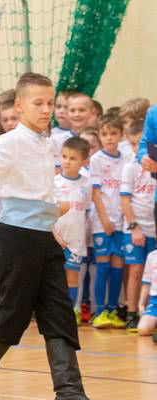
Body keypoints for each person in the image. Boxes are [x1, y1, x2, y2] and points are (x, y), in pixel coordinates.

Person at [0, 72, 110, 400]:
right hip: (16, 239)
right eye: (38, 103)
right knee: (14, 313)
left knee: (59, 310)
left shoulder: (45, 143)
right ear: (19, 106)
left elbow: (42, 194)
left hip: (43, 238)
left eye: (50, 103)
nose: (46, 109)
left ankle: (69, 391)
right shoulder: (10, 142)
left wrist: (52, 225)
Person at [90, 115, 128, 329]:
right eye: (104, 134)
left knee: (117, 267)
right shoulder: (96, 159)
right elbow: (95, 193)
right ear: (99, 136)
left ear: (121, 135)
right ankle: (100, 311)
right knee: (102, 266)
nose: (109, 138)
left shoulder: (126, 159)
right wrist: (104, 219)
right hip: (102, 222)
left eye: (113, 133)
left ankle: (113, 310)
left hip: (121, 222)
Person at [120, 120, 155, 330]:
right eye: (132, 144)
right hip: (135, 228)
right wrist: (135, 227)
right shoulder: (130, 167)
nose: (136, 149)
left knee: (153, 273)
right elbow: (125, 200)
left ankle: (150, 312)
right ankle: (132, 312)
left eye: (139, 143)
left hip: (154, 227)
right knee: (136, 270)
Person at [53, 137, 91, 323]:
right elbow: (47, 214)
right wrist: (54, 235)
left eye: (73, 158)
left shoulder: (87, 184)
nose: (67, 161)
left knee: (72, 278)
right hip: (55, 239)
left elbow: (87, 211)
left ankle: (69, 314)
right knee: (53, 278)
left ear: (84, 161)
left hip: (75, 241)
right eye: (64, 156)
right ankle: (53, 313)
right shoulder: (53, 182)